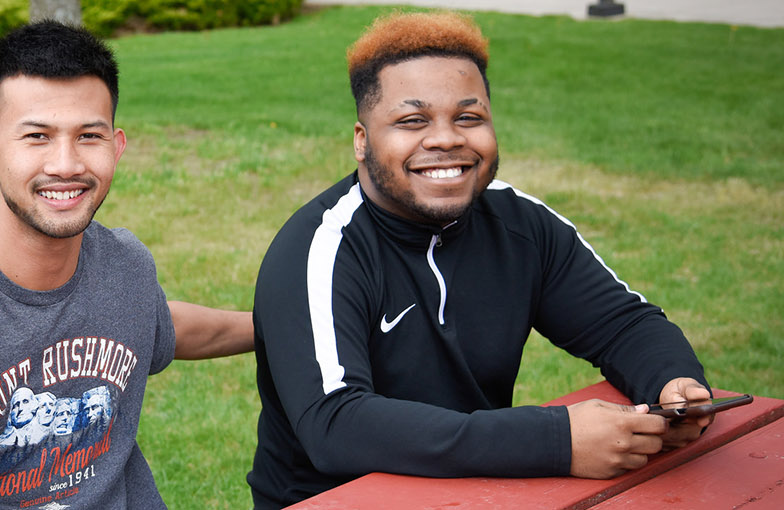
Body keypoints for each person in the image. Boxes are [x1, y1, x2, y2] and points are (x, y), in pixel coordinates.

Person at [249, 11, 714, 508]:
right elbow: (335, 423)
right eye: (412, 121)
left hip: (479, 490)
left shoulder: (522, 225)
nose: (446, 139)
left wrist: (674, 382)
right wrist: (554, 441)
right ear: (362, 140)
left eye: (468, 117)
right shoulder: (321, 247)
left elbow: (623, 325)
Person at [0, 20, 253, 509]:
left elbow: (161, 326)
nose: (66, 164)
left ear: (116, 146)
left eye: (88, 136)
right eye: (37, 137)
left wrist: (272, 327)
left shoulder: (127, 267)